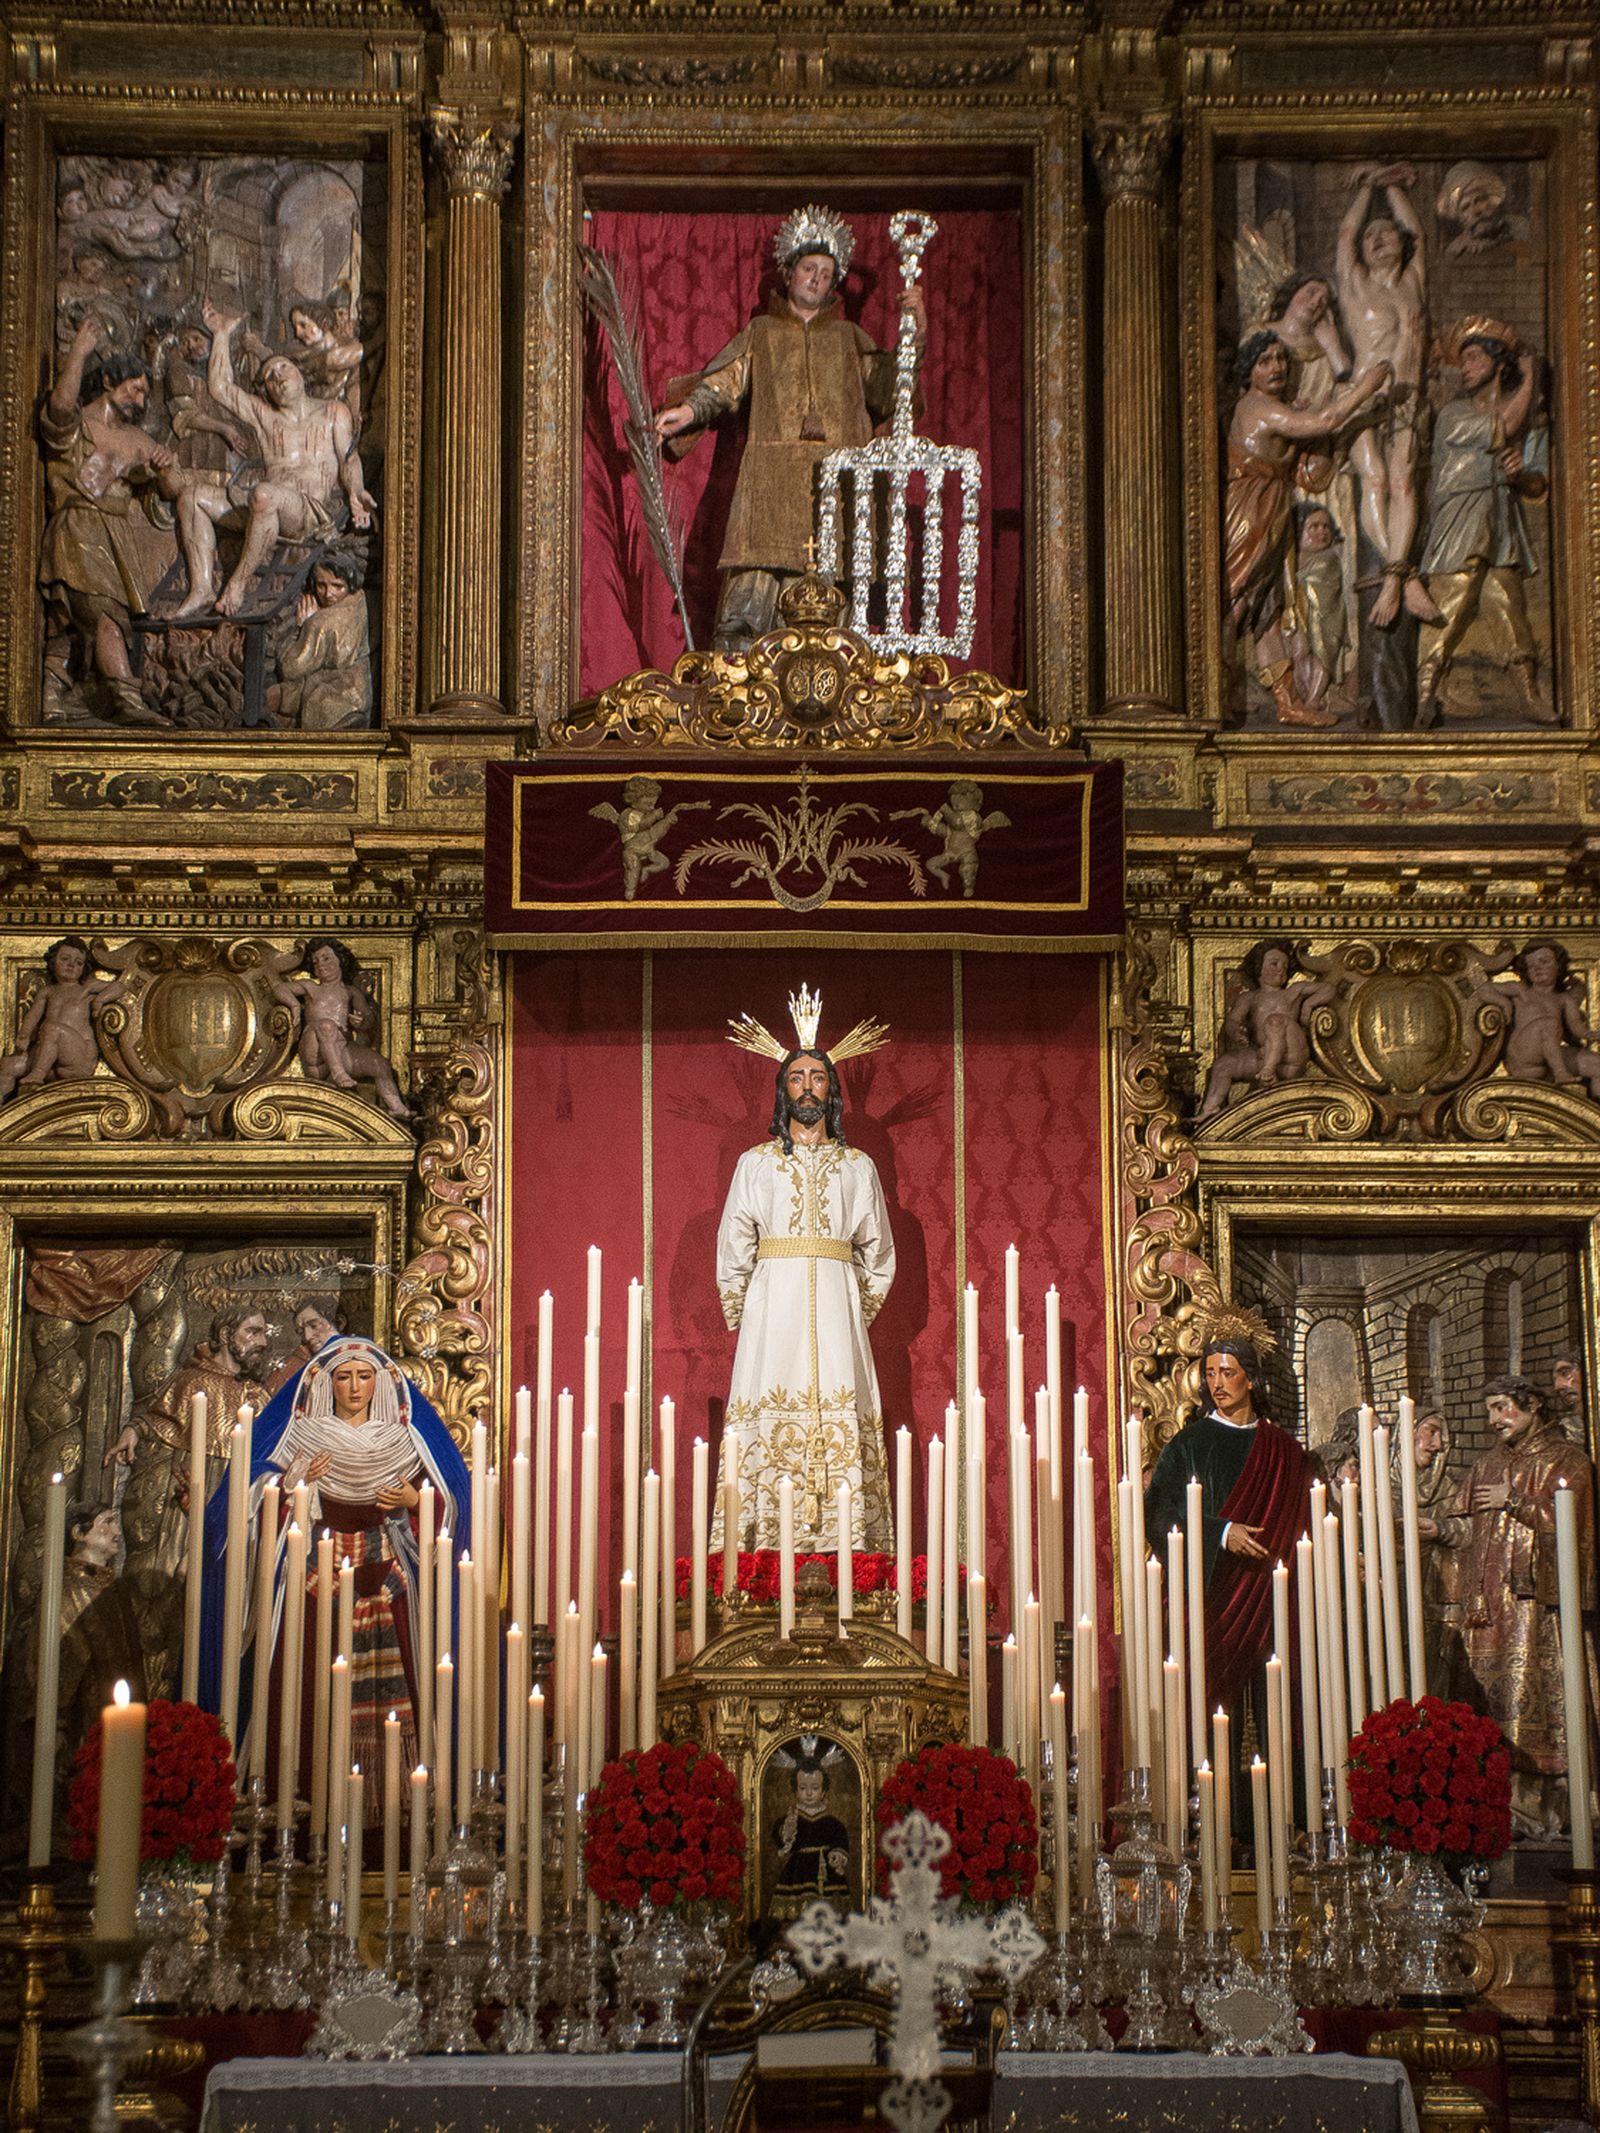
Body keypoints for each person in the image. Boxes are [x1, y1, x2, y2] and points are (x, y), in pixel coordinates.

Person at [200, 1334, 468, 1786]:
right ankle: (299, 1800)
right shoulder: (299, 1436)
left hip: (389, 1578)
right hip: (313, 1581)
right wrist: (290, 1484)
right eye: (343, 1377)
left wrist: (415, 1498)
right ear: (326, 1383)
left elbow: (453, 1503)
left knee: (400, 1707)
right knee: (306, 1691)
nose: (355, 1387)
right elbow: (241, 1505)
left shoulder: (404, 1440)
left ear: (381, 1383)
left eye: (364, 1376)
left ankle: (396, 1806)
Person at [654, 205, 924, 651]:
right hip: (770, 484)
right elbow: (726, 382)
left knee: (838, 614)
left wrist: (915, 334)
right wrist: (690, 411)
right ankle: (738, 692)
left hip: (839, 488)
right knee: (750, 606)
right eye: (808, 268)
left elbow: (895, 389)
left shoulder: (850, 339)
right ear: (789, 271)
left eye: (826, 272)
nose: (817, 278)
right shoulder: (761, 332)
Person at [717, 990, 894, 1551]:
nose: (808, 1088)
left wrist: (850, 1310)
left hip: (839, 1327)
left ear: (832, 1092)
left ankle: (850, 1548)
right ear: (783, 1091)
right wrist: (752, 1309)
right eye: (797, 1079)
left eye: (818, 1079)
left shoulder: (858, 1168)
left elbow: (880, 1253)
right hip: (773, 1322)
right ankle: (760, 1544)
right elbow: (732, 1246)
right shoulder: (755, 1164)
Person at [1143, 1320, 1318, 1831]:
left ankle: (1287, 1828)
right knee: (1212, 1719)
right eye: (1211, 1372)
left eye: (1229, 1372)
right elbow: (1159, 1517)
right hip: (1213, 1603)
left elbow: (1306, 1518)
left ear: (1251, 1381)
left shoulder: (1284, 1451)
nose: (1218, 1383)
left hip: (1274, 1602)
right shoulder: (1190, 1444)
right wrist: (1221, 1532)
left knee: (1280, 1717)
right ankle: (1215, 1830)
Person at [1445, 1375, 1595, 1837]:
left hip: (1538, 1612)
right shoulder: (1487, 1464)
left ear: (1532, 1406)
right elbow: (1464, 1529)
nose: (1493, 1420)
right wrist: (1440, 1532)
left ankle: (1554, 1808)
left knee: (1546, 1705)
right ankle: (1498, 1804)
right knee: (1491, 1708)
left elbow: (1575, 1525)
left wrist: (1517, 1503)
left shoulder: (1567, 1461)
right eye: (1490, 1410)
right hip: (1489, 1612)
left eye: (1501, 1408)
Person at [162, 296, 375, 618]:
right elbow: (220, 388)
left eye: (283, 368)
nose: (277, 376)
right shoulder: (265, 416)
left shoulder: (334, 412)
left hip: (307, 512)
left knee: (263, 495)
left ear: (300, 376)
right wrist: (220, 333)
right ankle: (202, 589)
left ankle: (236, 587)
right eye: (269, 375)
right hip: (266, 506)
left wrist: (356, 493)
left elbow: (349, 458)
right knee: (193, 497)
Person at [1225, 331, 1389, 727]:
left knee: (1267, 613)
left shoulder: (1274, 409)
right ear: (1249, 372)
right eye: (1265, 361)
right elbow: (1326, 419)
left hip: (1271, 508)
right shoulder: (1259, 407)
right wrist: (1366, 386)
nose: (1277, 366)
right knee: (1237, 601)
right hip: (1251, 510)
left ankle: (1288, 702)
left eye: (1281, 359)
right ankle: (1211, 689)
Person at [38, 315, 177, 727]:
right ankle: (126, 700)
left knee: (69, 622)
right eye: (134, 387)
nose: (140, 398)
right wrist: (79, 352)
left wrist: (166, 469)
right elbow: (59, 410)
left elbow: (171, 490)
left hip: (116, 536)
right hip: (80, 527)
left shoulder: (139, 441)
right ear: (108, 383)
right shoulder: (82, 424)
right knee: (104, 615)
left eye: (145, 393)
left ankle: (51, 695)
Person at [1415, 321, 1552, 728]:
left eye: (1475, 356)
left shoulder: (1532, 421)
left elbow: (1538, 482)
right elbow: (1505, 425)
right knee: (1448, 607)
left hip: (1501, 523)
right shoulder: (1453, 416)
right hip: (1459, 521)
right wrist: (1531, 377)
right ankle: (1426, 695)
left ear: (1499, 361)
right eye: (1463, 359)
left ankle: (1530, 697)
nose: (1466, 366)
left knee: (1510, 608)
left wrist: (1519, 474)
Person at [1335, 163, 1442, 629]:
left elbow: (1417, 229)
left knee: (1403, 484)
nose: (1377, 240)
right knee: (1374, 480)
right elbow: (1344, 236)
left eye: (1386, 234)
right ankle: (1407, 577)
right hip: (1366, 393)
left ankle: (1396, 580)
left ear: (1401, 245)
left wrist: (1392, 185)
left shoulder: (1413, 280)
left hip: (1409, 393)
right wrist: (1366, 188)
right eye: (1370, 237)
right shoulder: (1356, 285)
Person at [108, 1305, 272, 1590]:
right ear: (225, 1334)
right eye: (253, 1332)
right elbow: (161, 1420)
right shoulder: (192, 1381)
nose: (262, 1342)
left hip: (240, 1494)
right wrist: (133, 1430)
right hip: (196, 1486)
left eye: (263, 1333)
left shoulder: (257, 1393)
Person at [271, 936, 413, 1121]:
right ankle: (338, 1074)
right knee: (326, 1025)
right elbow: (280, 989)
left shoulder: (351, 992)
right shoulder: (311, 988)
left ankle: (396, 1107)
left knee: (381, 1065)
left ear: (340, 960)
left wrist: (362, 1023)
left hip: (342, 1049)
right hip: (316, 1055)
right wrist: (295, 1005)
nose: (320, 964)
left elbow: (369, 1018)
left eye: (326, 958)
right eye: (316, 961)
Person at [1196, 938, 1336, 1122]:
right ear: (1259, 967)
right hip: (1261, 1055)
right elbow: (1232, 1020)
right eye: (1274, 963)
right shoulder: (1250, 998)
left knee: (1275, 1021)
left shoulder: (1293, 991)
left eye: (1285, 966)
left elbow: (1328, 989)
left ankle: (1269, 1071)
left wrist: (1308, 1006)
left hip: (1290, 1057)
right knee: (1224, 1064)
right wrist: (1236, 1032)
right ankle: (1209, 1111)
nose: (1281, 969)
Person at [0, 937, 126, 1102]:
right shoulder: (48, 991)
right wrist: (24, 1035)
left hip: (78, 1055)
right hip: (47, 1054)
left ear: (84, 968)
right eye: (65, 959)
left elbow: (120, 987)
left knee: (52, 1029)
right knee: (8, 1066)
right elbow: (34, 1015)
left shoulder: (86, 988)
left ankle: (36, 1076)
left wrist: (100, 999)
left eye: (79, 962)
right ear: (53, 962)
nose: (71, 965)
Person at [1473, 939, 1600, 1095]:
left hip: (1550, 1057)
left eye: (1544, 962)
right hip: (1524, 1057)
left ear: (1558, 965)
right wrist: (1504, 1003)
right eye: (1531, 966)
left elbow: (1575, 1024)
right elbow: (1483, 989)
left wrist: (1589, 1034)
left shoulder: (1562, 999)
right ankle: (1560, 1073)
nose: (1537, 968)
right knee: (1548, 1024)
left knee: (1596, 1064)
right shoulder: (1522, 991)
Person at [267, 555, 372, 730]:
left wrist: (303, 625)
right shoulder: (360, 600)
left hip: (332, 697)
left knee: (269, 699)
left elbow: (291, 668)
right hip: (353, 689)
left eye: (337, 586)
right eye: (321, 585)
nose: (328, 594)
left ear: (350, 585)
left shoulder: (323, 623)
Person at [770, 1757, 852, 1911]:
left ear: (823, 1792)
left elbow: (840, 1840)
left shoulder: (832, 1822)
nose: (808, 1793)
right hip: (798, 1872)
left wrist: (837, 1855)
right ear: (795, 1791)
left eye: (814, 1788)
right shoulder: (791, 1820)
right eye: (802, 1788)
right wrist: (787, 1832)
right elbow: (781, 1837)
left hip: (827, 1872)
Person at [266, 1294, 345, 1396]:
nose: (307, 1337)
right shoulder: (290, 1370)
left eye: (314, 1325)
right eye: (300, 1331)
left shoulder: (360, 1357)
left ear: (340, 1323)